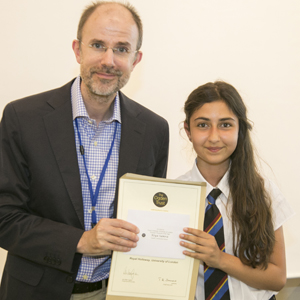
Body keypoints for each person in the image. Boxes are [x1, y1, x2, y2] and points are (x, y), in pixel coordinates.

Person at [0, 2, 169, 300]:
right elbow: (4, 217)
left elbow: (150, 220)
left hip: (117, 293)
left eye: (121, 49)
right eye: (97, 45)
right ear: (78, 50)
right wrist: (81, 241)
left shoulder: (155, 130)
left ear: (136, 59)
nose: (108, 60)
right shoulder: (22, 118)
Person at [178, 81, 293, 300]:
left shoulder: (264, 191)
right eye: (202, 125)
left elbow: (277, 278)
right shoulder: (173, 196)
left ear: (240, 128)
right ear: (188, 130)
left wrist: (219, 259)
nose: (214, 137)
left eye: (225, 125)